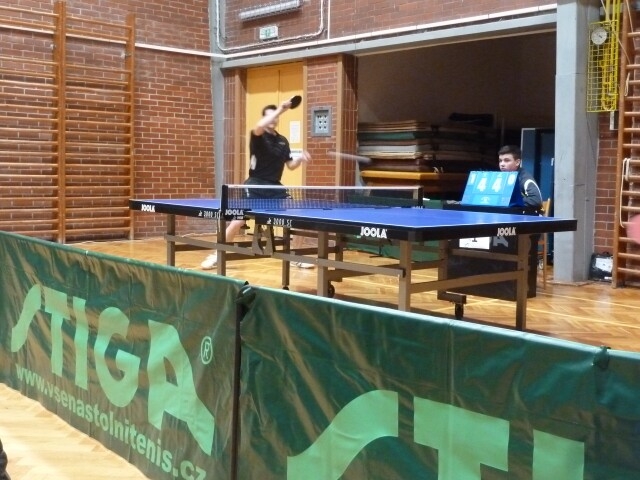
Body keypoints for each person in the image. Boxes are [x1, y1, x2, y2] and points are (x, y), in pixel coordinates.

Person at [201, 99, 313, 270]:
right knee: (238, 221)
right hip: (254, 185)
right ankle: (217, 254)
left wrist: (300, 159)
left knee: (299, 217)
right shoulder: (257, 136)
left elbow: (290, 165)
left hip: (274, 187)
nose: (274, 119)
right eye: (270, 117)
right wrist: (281, 109)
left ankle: (295, 256)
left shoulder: (283, 141)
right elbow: (260, 125)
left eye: (275, 117)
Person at [498, 144, 543, 210]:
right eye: (500, 161)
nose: (502, 164)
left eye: (507, 160)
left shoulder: (525, 179)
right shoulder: (499, 178)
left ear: (517, 162)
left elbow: (536, 200)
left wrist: (512, 201)